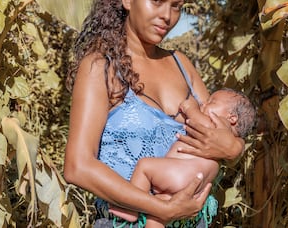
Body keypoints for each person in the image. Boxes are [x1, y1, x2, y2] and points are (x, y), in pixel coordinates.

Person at [63, 0, 245, 228]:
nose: (167, 16)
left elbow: (219, 135)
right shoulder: (101, 67)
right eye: (157, 1)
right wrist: (162, 209)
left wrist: (235, 149)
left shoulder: (181, 64)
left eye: (176, 6)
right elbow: (78, 167)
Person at [108, 88, 256, 227]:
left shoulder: (218, 125)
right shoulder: (225, 136)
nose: (204, 103)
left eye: (212, 102)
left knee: (144, 165)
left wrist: (190, 108)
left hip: (180, 176)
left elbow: (200, 122)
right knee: (158, 212)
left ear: (232, 118)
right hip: (193, 186)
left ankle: (130, 208)